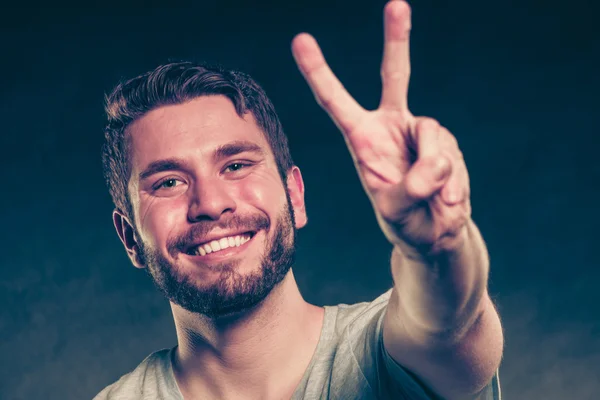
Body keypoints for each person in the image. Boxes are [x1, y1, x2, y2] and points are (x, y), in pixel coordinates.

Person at [94, 1, 504, 399]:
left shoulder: (385, 356)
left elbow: (451, 327)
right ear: (130, 237)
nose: (211, 203)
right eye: (168, 182)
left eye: (236, 166)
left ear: (295, 195)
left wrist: (438, 251)